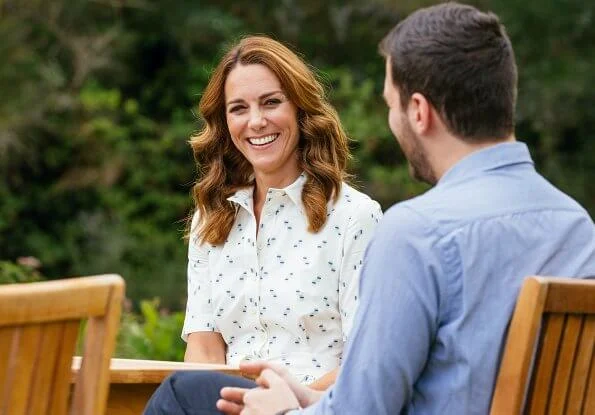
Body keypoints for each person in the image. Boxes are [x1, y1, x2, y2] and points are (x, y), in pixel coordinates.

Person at [203, 3, 594, 414]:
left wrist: (283, 412)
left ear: (420, 112)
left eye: (392, 104)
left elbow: (362, 411)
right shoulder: (577, 228)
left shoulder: (418, 233)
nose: (392, 119)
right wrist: (310, 398)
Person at [159, 33, 382, 408]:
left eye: (271, 102)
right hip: (226, 405)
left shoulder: (354, 217)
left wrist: (278, 402)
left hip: (312, 406)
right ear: (224, 122)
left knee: (177, 392)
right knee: (185, 389)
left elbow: (366, 359)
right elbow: (204, 353)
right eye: (239, 109)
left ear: (299, 108)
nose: (256, 121)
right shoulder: (211, 221)